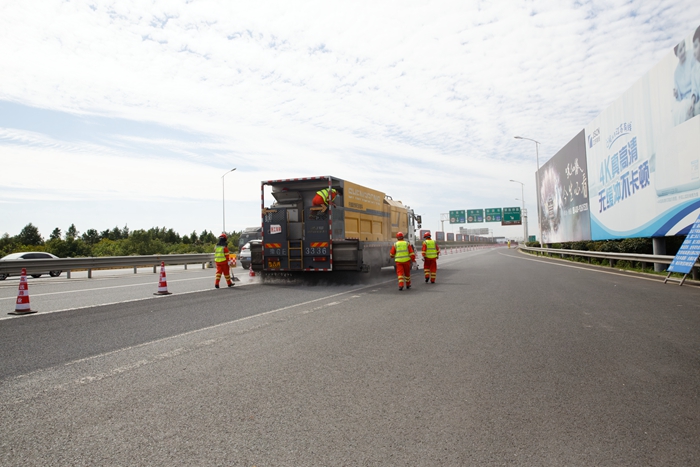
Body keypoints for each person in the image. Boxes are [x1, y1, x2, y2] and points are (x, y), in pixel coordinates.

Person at [672, 39, 694, 125]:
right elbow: (679, 98)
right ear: (676, 54)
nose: (684, 50)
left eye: (684, 46)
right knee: (675, 111)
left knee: (684, 106)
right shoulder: (676, 73)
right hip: (684, 100)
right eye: (680, 50)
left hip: (694, 95)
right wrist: (676, 95)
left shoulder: (693, 55)